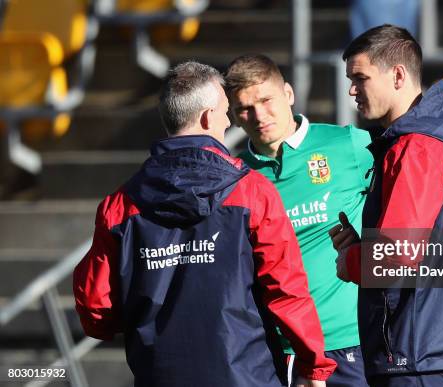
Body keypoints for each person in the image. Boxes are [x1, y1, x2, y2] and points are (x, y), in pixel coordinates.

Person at [73, 61, 336, 387]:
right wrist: (313, 366)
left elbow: (96, 312)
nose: (229, 121)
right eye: (227, 111)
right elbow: (287, 290)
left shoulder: (119, 206)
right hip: (246, 375)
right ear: (209, 116)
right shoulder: (252, 190)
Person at [329, 25, 443, 387]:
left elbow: (398, 254)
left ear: (397, 75)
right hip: (433, 351)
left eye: (360, 78)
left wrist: (351, 261)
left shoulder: (416, 148)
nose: (352, 89)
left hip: (412, 357)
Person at [225, 54, 373, 387]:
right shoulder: (236, 177)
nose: (259, 115)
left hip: (349, 340)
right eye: (245, 108)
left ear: (288, 94)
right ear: (233, 117)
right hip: (277, 349)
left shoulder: (347, 144)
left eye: (266, 100)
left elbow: (405, 204)